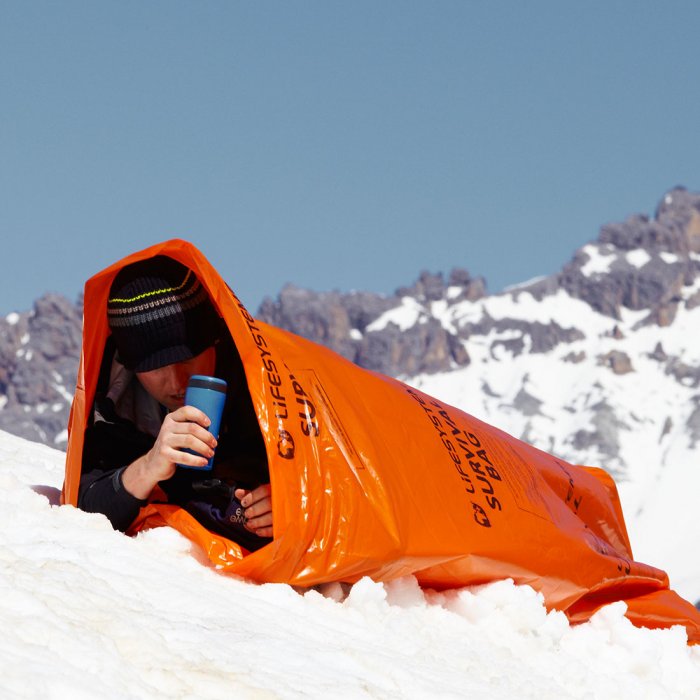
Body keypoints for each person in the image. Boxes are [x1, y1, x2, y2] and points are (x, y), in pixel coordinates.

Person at [78, 255, 272, 551]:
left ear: (215, 340)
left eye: (188, 358)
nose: (177, 382)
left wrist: (292, 500)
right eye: (154, 367)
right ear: (130, 366)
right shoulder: (113, 404)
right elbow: (83, 511)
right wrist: (148, 467)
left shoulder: (263, 381)